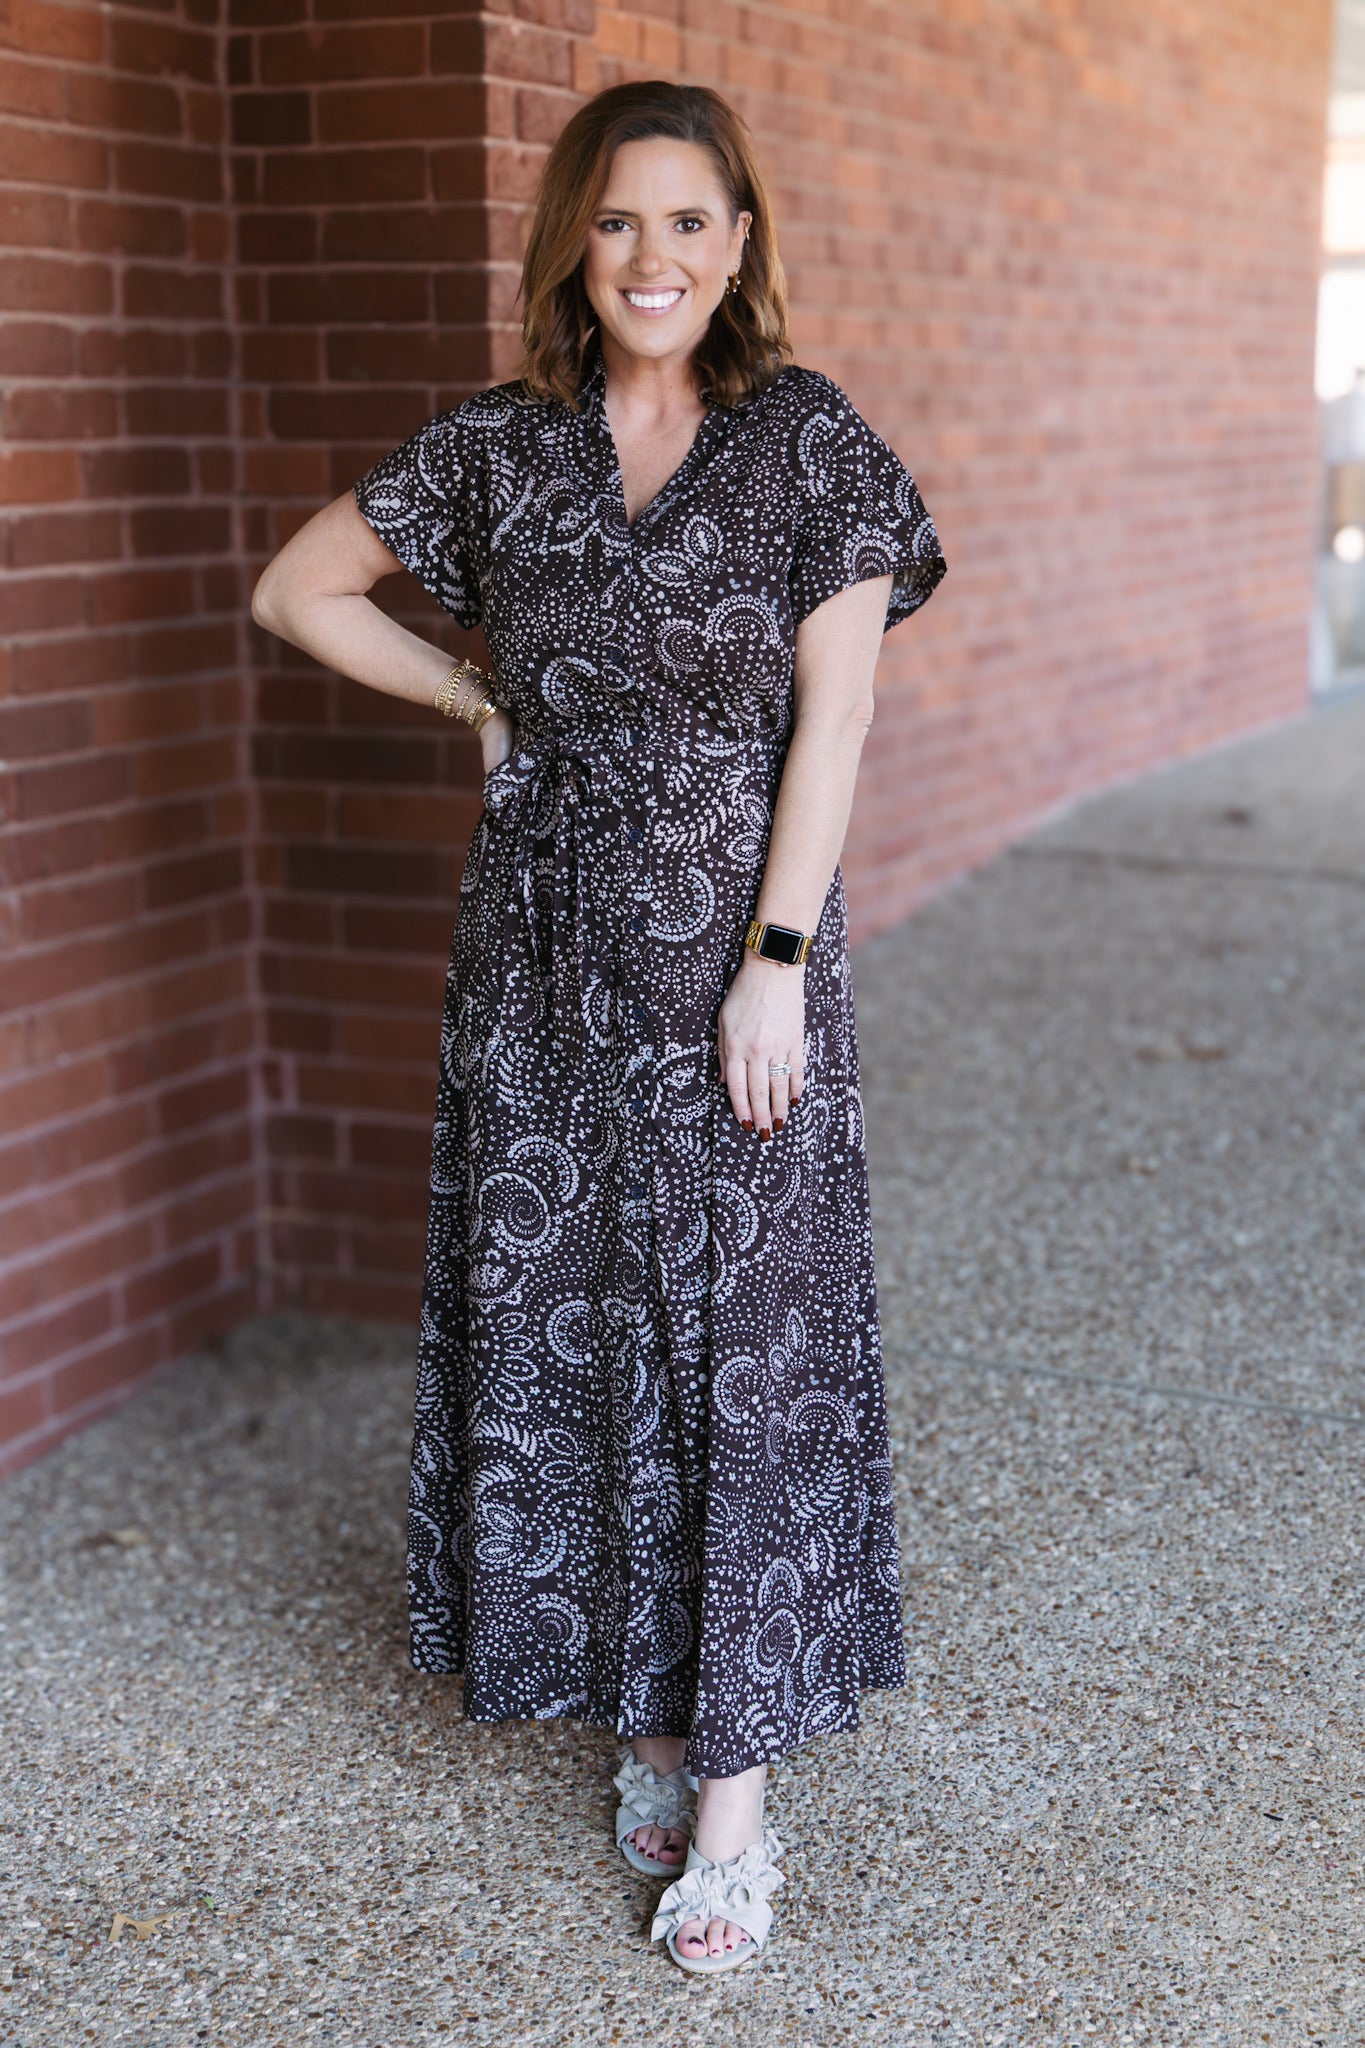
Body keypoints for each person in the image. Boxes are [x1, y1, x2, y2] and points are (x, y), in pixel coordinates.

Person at [252, 77, 946, 1976]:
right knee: (577, 1328)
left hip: (736, 960)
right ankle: (645, 1717)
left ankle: (733, 1799)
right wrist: (476, 701)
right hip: (538, 962)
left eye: (689, 222)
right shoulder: (502, 445)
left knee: (739, 1342)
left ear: (739, 245)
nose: (654, 257)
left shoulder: (807, 444)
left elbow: (836, 720)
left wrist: (775, 959)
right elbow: (298, 589)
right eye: (619, 219)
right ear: (574, 239)